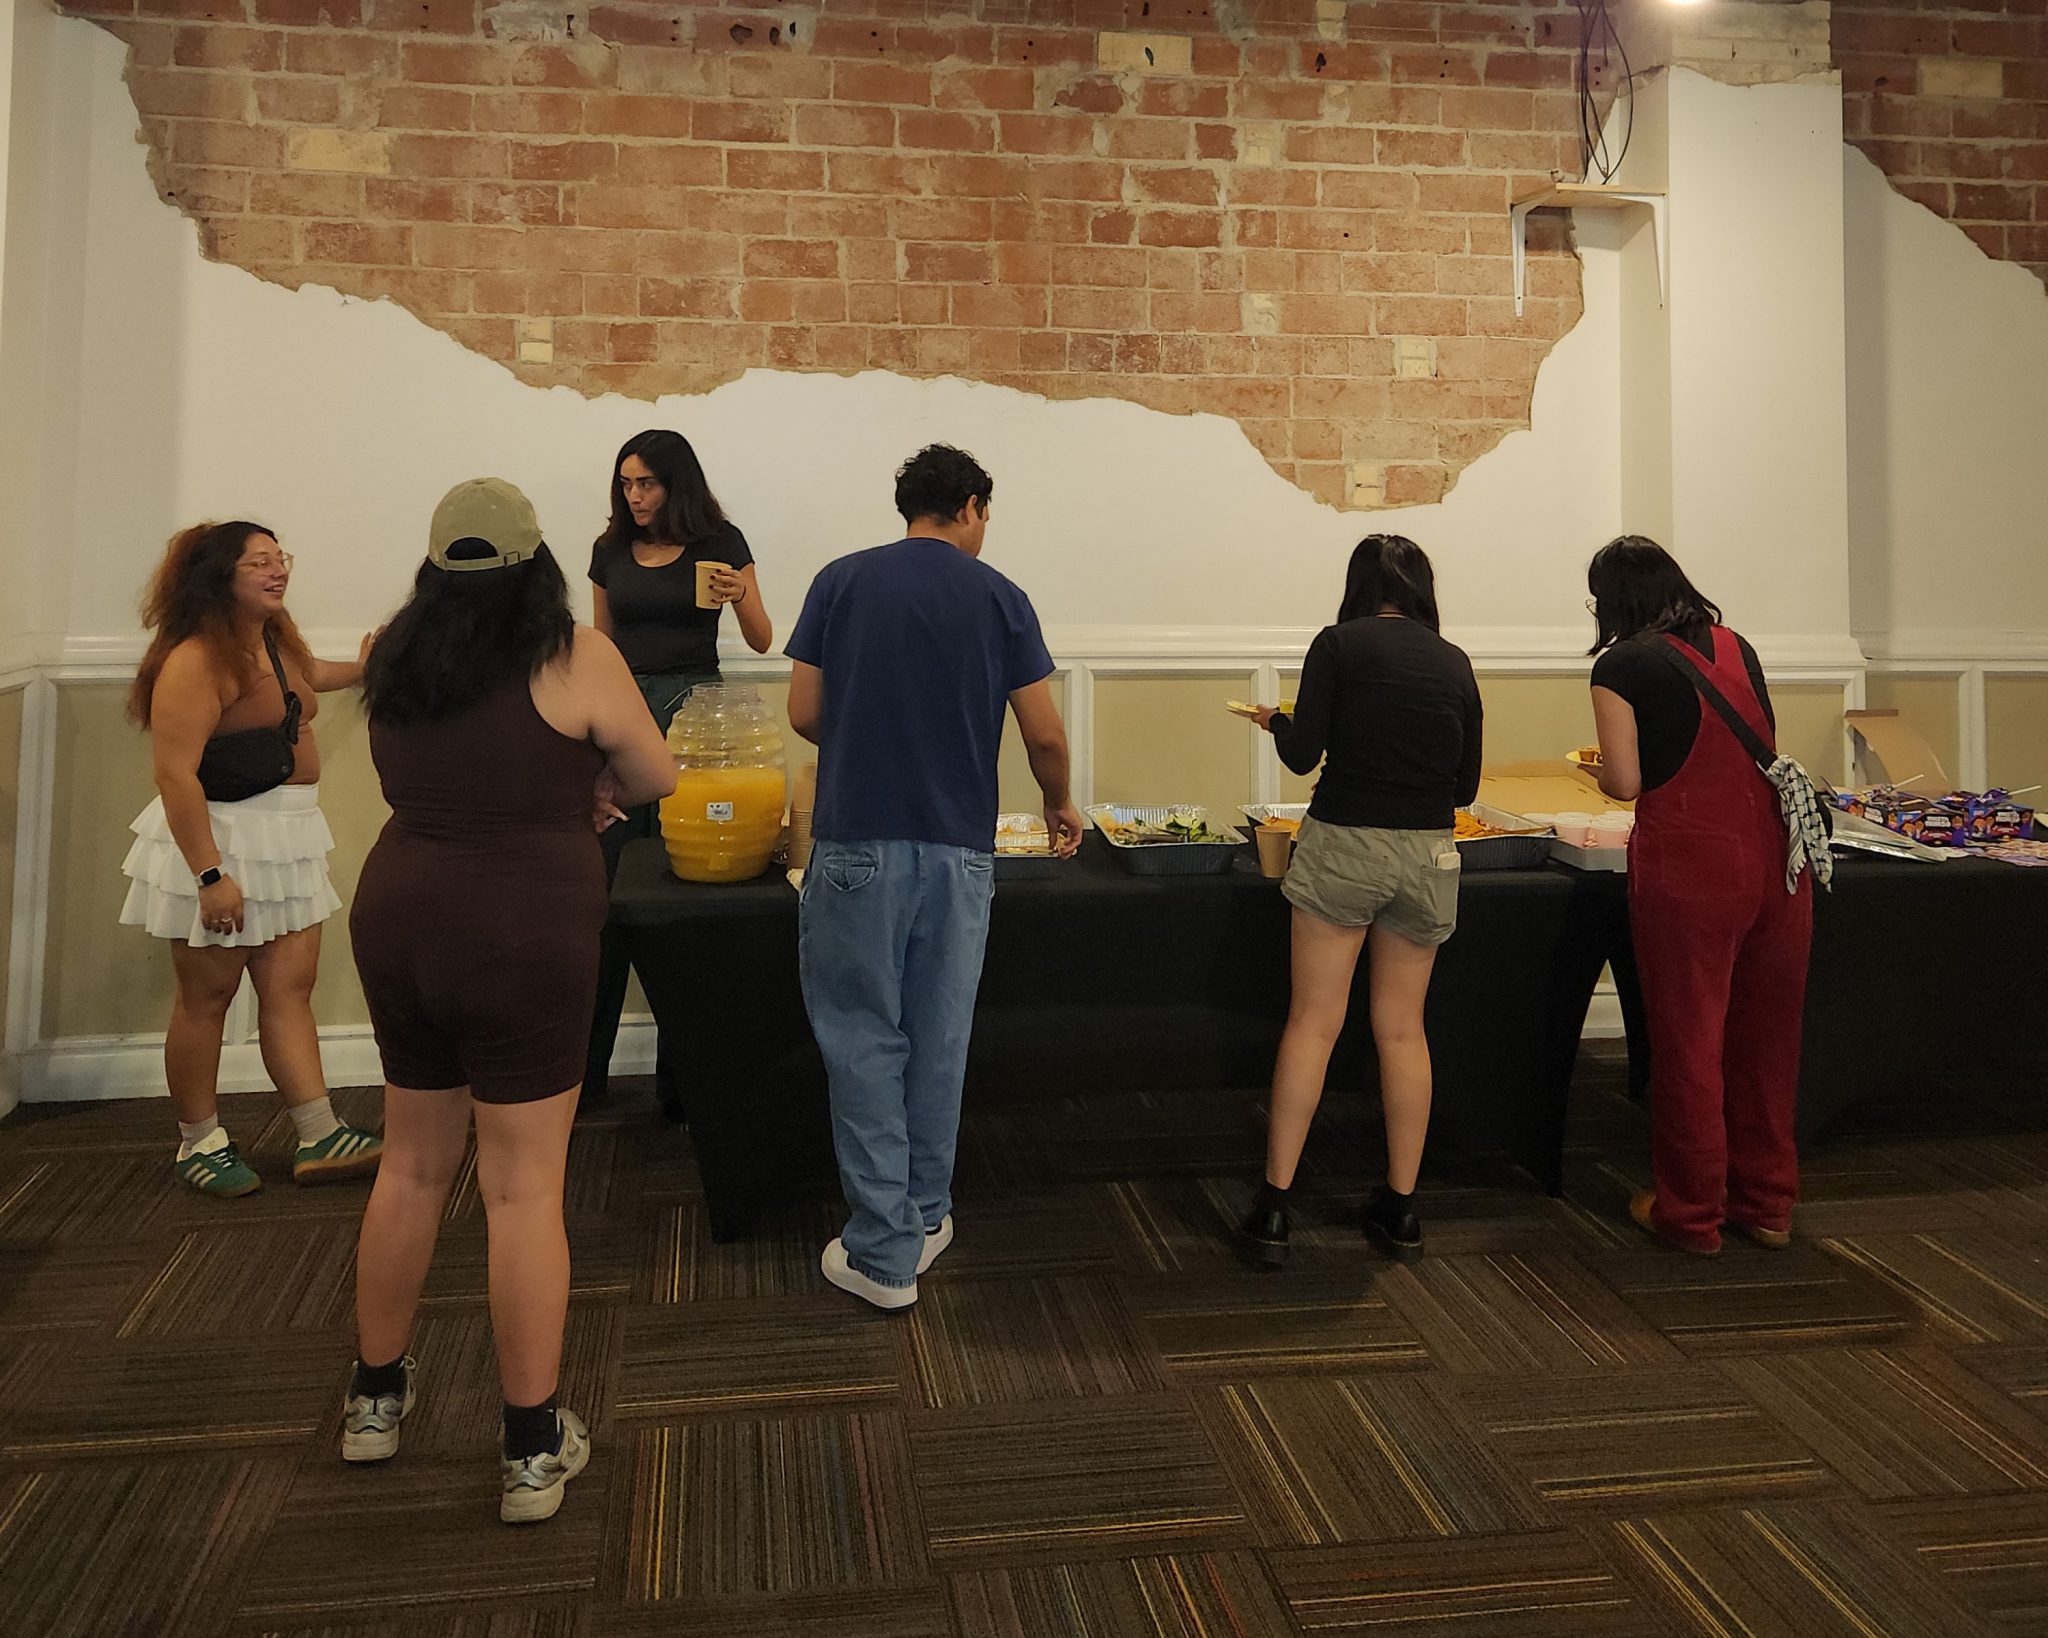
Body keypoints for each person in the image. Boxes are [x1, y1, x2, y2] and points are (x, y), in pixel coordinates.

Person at [342, 479, 675, 1524]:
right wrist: (581, 784)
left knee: (408, 1166)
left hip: (399, 910)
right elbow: (653, 775)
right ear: (537, 564)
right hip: (525, 923)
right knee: (522, 1189)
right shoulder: (574, 653)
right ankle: (531, 1449)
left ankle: (373, 1401)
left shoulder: (390, 647)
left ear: (436, 565)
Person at [786, 444, 1082, 1311]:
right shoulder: (1000, 597)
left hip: (855, 849)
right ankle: (922, 1215)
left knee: (863, 1038)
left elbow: (805, 711)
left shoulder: (840, 581)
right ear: (973, 506)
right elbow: (1046, 738)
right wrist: (1060, 803)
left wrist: (867, 734)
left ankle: (883, 1250)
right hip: (960, 851)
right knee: (937, 1036)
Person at [1240, 535, 1482, 1265]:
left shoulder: (1338, 645)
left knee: (1313, 1024)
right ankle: (1402, 1208)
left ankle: (1275, 1211)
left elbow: (1303, 753)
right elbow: (1465, 789)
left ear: (1358, 585)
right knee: (1403, 1031)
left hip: (1346, 843)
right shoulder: (1454, 661)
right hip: (1428, 851)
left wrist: (1276, 721)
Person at [122, 521, 383, 1198]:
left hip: (288, 836)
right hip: (224, 838)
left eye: (280, 558)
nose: (277, 571)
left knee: (289, 991)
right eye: (258, 563)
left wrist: (373, 663)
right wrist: (210, 875)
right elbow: (176, 775)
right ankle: (198, 1140)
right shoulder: (194, 660)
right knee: (207, 998)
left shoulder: (271, 636)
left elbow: (313, 677)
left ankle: (319, 1132)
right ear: (219, 577)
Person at [1585, 536, 1813, 1256]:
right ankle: (1768, 1204)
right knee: (1766, 1043)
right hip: (1779, 864)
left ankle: (1690, 1213)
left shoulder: (1621, 664)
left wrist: (1597, 770)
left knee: (1689, 1043)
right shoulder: (1736, 645)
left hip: (1692, 871)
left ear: (1612, 602)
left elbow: (1625, 781)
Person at [585, 429, 773, 1118]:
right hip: (620, 714)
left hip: (698, 719)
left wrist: (738, 596)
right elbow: (598, 646)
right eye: (627, 483)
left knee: (686, 886)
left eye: (647, 484)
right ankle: (587, 1075)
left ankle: (684, 1081)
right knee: (604, 894)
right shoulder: (609, 548)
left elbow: (762, 637)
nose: (635, 496)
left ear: (677, 483)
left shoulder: (721, 541)